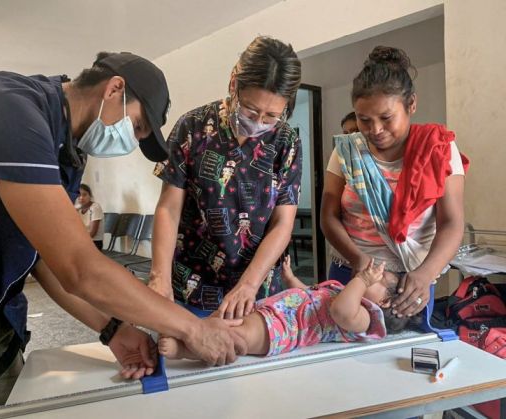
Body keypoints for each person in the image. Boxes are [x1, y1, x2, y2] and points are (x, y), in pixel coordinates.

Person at [0, 52, 245, 413]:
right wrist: (193, 330)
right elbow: (79, 267)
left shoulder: (68, 150)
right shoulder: (9, 107)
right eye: (136, 127)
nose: (130, 142)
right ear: (114, 88)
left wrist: (113, 329)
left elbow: (47, 260)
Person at [148, 36, 303, 320]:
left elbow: (282, 223)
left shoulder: (286, 141)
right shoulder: (192, 127)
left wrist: (249, 284)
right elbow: (168, 209)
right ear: (234, 82)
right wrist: (160, 278)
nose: (258, 122)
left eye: (271, 116)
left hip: (258, 289)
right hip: (192, 283)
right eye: (251, 110)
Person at [320, 46, 468, 320]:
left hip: (413, 283)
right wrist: (361, 263)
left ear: (411, 104)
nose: (375, 130)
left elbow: (452, 223)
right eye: (364, 120)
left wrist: (425, 275)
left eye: (386, 118)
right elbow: (328, 216)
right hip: (351, 272)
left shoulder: (439, 149)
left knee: (404, 358)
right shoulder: (347, 152)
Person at [159, 257, 422, 360]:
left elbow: (339, 312)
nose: (369, 275)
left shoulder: (366, 317)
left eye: (378, 279)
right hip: (273, 310)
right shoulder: (347, 292)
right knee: (227, 316)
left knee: (238, 336)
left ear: (385, 301)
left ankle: (187, 351)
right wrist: (291, 279)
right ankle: (194, 332)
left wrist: (363, 280)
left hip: (284, 330)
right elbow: (313, 293)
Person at [76, 183, 105, 250]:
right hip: (84, 242)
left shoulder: (95, 207)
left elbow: (92, 233)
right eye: (79, 195)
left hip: (94, 243)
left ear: (90, 196)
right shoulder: (78, 209)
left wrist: (78, 241)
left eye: (84, 194)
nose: (81, 198)